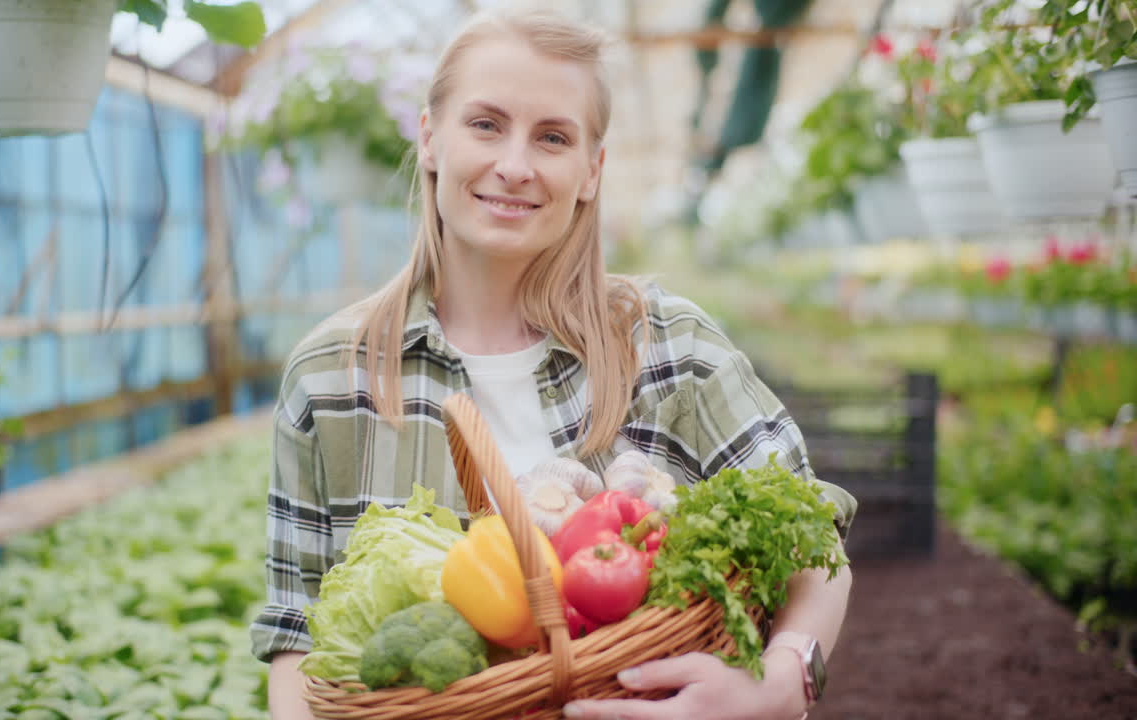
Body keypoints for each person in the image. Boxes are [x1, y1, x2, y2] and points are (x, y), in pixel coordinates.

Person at [250, 9, 857, 720]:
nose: (514, 165)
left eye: (553, 137)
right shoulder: (331, 377)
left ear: (591, 171)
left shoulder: (668, 347)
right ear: (429, 138)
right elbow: (300, 637)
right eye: (485, 124)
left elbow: (814, 540)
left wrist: (786, 680)